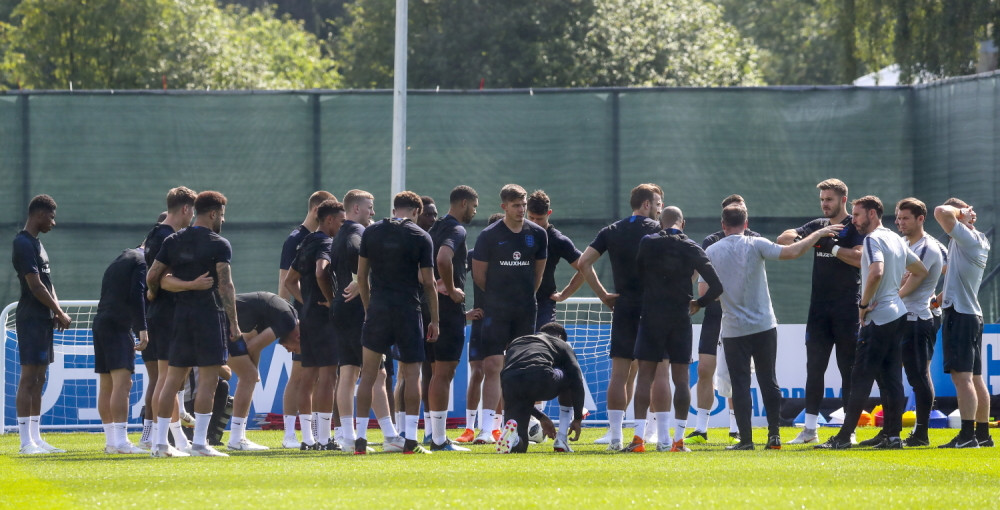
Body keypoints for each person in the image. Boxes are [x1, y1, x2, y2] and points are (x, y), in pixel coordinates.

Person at [707, 204, 843, 450]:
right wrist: (818, 234)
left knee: (739, 384)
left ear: (723, 225)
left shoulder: (712, 250)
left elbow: (706, 291)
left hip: (733, 328)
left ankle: (745, 441)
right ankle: (774, 437)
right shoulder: (756, 243)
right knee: (768, 380)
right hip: (763, 325)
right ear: (746, 224)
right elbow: (791, 252)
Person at [816, 196, 927, 450]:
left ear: (873, 215)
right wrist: (896, 293)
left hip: (879, 317)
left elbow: (876, 271)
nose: (853, 220)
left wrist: (864, 304)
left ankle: (843, 438)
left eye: (857, 215)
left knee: (860, 378)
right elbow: (920, 270)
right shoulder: (895, 238)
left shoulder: (872, 239)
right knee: (891, 378)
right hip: (897, 314)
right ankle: (892, 436)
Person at [147, 190, 239, 458]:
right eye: (222, 214)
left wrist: (153, 292)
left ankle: (160, 444)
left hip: (179, 317)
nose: (223, 219)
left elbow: (154, 274)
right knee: (208, 381)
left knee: (172, 380)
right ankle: (199, 443)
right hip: (209, 316)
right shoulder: (219, 243)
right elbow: (226, 285)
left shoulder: (174, 239)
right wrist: (234, 323)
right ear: (213, 213)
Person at [777, 178, 866, 445]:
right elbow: (784, 239)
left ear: (843, 200)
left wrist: (832, 247)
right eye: (822, 200)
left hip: (848, 309)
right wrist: (816, 238)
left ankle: (848, 431)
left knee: (847, 369)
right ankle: (810, 429)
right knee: (814, 369)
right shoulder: (818, 226)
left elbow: (859, 257)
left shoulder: (856, 226)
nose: (824, 204)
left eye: (829, 199)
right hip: (818, 311)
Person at [629, 206, 722, 453]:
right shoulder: (691, 247)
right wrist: (698, 304)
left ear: (660, 221)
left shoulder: (647, 243)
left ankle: (638, 440)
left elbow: (637, 275)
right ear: (684, 223)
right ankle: (678, 442)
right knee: (681, 380)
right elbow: (716, 287)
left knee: (645, 377)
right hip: (680, 318)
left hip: (651, 316)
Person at [577, 183, 663, 450]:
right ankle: (654, 434)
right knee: (656, 373)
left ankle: (615, 437)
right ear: (646, 204)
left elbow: (583, 263)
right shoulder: (659, 231)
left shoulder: (612, 230)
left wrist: (603, 294)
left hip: (623, 307)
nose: (660, 209)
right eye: (658, 204)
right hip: (653, 308)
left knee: (619, 373)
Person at [355, 191, 439, 454]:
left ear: (395, 209)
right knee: (412, 374)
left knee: (367, 375)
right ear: (416, 211)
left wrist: (369, 309)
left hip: (378, 309)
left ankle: (360, 440)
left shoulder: (371, 232)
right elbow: (429, 283)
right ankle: (411, 440)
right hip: (407, 311)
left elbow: (361, 278)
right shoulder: (421, 236)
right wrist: (435, 319)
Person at [471, 184, 549, 444]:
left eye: (523, 204)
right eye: (516, 205)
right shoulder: (489, 235)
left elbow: (537, 275)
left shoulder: (537, 234)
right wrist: (499, 297)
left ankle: (516, 426)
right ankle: (486, 429)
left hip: (525, 310)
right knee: (493, 365)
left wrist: (523, 297)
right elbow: (480, 276)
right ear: (504, 206)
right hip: (496, 310)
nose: (521, 209)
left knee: (521, 368)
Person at [330, 190, 398, 454]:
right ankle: (389, 435)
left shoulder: (340, 234)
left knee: (348, 372)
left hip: (341, 307)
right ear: (356, 209)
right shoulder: (357, 234)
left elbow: (325, 272)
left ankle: (349, 437)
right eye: (370, 207)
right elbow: (365, 263)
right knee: (376, 373)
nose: (373, 211)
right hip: (357, 311)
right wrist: (362, 281)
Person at [689, 194, 759, 444]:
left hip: (742, 318)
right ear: (724, 219)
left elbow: (754, 284)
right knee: (706, 369)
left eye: (742, 211)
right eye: (733, 212)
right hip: (715, 315)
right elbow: (704, 290)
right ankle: (701, 428)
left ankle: (736, 428)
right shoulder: (711, 242)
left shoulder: (756, 240)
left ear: (746, 217)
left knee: (738, 373)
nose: (738, 215)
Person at [284, 199, 346, 450]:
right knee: (328, 377)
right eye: (341, 221)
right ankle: (322, 437)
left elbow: (290, 281)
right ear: (329, 220)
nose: (343, 226)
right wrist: (331, 301)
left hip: (308, 316)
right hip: (323, 319)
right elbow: (322, 271)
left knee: (307, 377)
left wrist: (306, 301)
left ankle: (308, 439)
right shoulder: (325, 243)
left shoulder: (306, 241)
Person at [138, 187, 197, 451]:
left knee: (166, 380)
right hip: (167, 315)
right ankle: (160, 442)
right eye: (192, 211)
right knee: (166, 380)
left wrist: (151, 292)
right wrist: (194, 284)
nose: (192, 216)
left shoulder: (154, 232)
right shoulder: (168, 238)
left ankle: (171, 439)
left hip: (158, 314)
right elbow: (160, 279)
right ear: (185, 209)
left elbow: (151, 281)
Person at [12, 194, 72, 455]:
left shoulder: (37, 245)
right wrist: (57, 310)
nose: (53, 222)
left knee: (40, 377)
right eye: (51, 216)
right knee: (28, 377)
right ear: (38, 214)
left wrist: (56, 312)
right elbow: (35, 286)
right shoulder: (22, 243)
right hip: (31, 318)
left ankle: (37, 438)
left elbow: (48, 283)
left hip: (45, 318)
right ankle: (25, 442)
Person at [934, 198, 992, 448]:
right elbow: (957, 281)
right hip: (970, 314)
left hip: (961, 316)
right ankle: (983, 434)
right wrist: (936, 302)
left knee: (962, 378)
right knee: (976, 378)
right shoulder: (974, 240)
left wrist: (961, 213)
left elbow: (940, 211)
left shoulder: (968, 238)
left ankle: (967, 436)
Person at [426, 185, 480, 451]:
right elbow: (443, 258)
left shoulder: (433, 228)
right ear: (462, 203)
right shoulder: (456, 229)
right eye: (473, 206)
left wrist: (433, 285)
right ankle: (438, 439)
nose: (474, 211)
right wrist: (451, 287)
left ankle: (433, 434)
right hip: (447, 310)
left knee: (434, 372)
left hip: (430, 308)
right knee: (443, 373)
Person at [894, 198, 947, 447]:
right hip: (901, 316)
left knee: (919, 376)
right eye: (898, 217)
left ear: (920, 219)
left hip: (918, 319)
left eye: (905, 218)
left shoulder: (928, 247)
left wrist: (888, 298)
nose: (899, 222)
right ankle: (893, 431)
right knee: (903, 374)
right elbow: (898, 277)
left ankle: (922, 434)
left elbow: (913, 279)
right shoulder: (903, 243)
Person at [93, 247, 150, 454]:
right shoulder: (141, 261)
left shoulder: (121, 258)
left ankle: (111, 442)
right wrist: (142, 328)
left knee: (107, 385)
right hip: (118, 325)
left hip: (101, 321)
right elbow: (137, 295)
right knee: (123, 383)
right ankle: (122, 442)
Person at [496, 323, 584, 454]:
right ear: (560, 336)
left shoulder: (518, 341)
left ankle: (514, 439)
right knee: (569, 373)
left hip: (509, 383)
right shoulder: (561, 343)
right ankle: (562, 439)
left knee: (521, 447)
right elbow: (577, 380)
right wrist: (577, 419)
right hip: (539, 377)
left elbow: (522, 390)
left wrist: (541, 417)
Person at [455, 213, 502, 444]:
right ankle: (469, 428)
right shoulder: (475, 255)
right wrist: (463, 313)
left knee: (500, 372)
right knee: (477, 372)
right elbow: (455, 280)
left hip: (504, 321)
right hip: (481, 321)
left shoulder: (510, 257)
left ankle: (495, 427)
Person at [525, 190, 585, 331]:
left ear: (549, 213)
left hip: (544, 302)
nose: (535, 223)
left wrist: (564, 294)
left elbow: (585, 267)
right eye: (531, 218)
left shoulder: (558, 240)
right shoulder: (517, 233)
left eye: (539, 219)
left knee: (544, 340)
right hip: (517, 300)